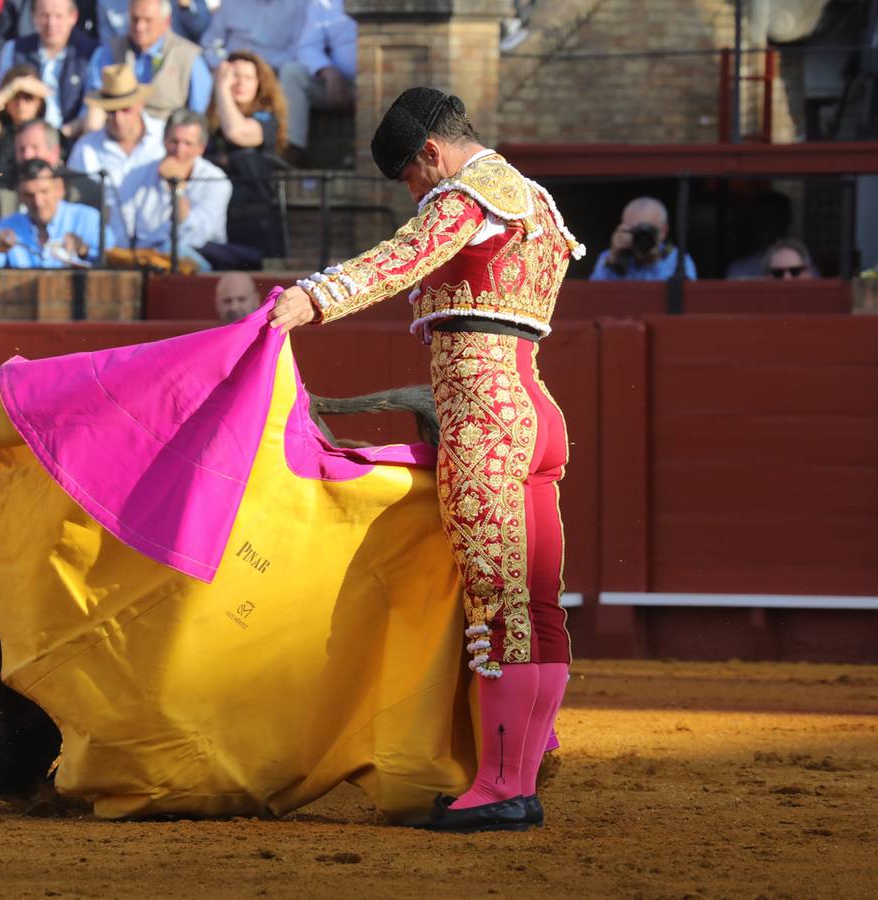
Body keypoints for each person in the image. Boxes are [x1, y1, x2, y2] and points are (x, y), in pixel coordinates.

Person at [268, 87, 584, 833]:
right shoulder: (533, 199)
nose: (415, 194)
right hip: (532, 407)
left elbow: (404, 257)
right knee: (535, 606)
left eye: (411, 179)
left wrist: (314, 297)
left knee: (496, 607)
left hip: (484, 417)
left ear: (431, 155)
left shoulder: (466, 194)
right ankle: (520, 773)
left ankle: (503, 786)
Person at [0, 117, 101, 253]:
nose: (27, 155)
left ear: (55, 151)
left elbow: (101, 243)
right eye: (21, 150)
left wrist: (81, 249)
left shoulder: (83, 187)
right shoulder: (0, 181)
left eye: (34, 147)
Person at [111, 108, 229, 270]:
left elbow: (196, 235)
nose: (179, 150)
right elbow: (121, 224)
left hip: (198, 256)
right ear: (164, 141)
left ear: (201, 148)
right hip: (145, 256)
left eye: (188, 144)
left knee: (173, 252)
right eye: (174, 142)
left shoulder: (216, 180)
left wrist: (177, 187)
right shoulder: (137, 174)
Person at [206, 49, 286, 259]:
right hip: (217, 221)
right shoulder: (208, 125)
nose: (240, 83)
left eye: (248, 77)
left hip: (255, 224)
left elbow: (237, 133)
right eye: (234, 76)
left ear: (259, 83)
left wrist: (222, 87)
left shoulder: (266, 119)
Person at [86, 0, 209, 127]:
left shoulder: (189, 58)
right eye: (135, 19)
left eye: (148, 20)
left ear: (166, 21)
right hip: (118, 136)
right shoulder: (110, 51)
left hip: (167, 139)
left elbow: (196, 118)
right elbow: (96, 104)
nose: (140, 27)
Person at [0, 0, 96, 141]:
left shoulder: (91, 53)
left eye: (58, 16)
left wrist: (58, 137)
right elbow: (0, 100)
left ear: (73, 17)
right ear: (33, 16)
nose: (51, 24)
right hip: (21, 140)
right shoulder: (14, 49)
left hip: (70, 140)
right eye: (45, 15)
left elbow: (89, 111)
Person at [0, 157, 100, 268]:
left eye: (44, 192)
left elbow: (113, 259)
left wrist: (84, 250)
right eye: (29, 195)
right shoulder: (9, 225)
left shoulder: (88, 219)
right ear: (20, 196)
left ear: (59, 189)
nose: (38, 202)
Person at [66, 62, 162, 204]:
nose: (118, 118)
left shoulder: (165, 137)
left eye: (125, 109)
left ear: (140, 104)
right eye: (111, 111)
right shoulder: (85, 149)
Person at [278, 0, 355, 166]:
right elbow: (307, 47)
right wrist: (328, 72)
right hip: (339, 85)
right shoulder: (324, 3)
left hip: (385, 81)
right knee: (292, 72)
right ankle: (293, 147)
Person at [589, 196, 696, 281]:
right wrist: (612, 261)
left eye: (647, 231)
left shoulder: (679, 261)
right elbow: (593, 299)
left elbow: (681, 300)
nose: (642, 237)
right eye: (635, 231)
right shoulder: (609, 258)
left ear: (663, 231)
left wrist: (654, 261)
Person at [0, 63, 49, 175]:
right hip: (2, 189)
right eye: (14, 96)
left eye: (28, 97)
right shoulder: (1, 129)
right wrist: (13, 87)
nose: (21, 103)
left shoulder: (49, 131)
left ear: (40, 102)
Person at [197, 0, 305, 71]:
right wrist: (223, 65)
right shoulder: (231, 2)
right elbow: (211, 43)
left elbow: (299, 51)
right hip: (230, 69)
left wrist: (260, 69)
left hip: (273, 74)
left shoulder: (300, 5)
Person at [95, 0, 204, 46]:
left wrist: (185, 6)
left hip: (173, 58)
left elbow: (202, 29)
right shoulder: (107, 2)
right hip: (128, 59)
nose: (140, 26)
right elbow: (107, 42)